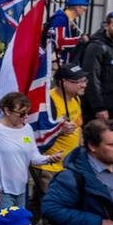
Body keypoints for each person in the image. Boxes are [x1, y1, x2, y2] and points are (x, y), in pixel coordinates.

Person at [0, 91, 60, 210]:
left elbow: (33, 156)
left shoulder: (27, 128)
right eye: (22, 113)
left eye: (28, 113)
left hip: (22, 190)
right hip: (0, 191)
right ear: (7, 111)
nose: (26, 117)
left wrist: (49, 159)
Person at [32, 64, 87, 208]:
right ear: (64, 82)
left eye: (84, 80)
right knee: (50, 207)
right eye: (79, 81)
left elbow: (78, 126)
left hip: (67, 166)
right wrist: (58, 130)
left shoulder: (75, 99)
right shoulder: (48, 102)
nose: (83, 85)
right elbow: (36, 134)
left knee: (40, 205)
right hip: (49, 168)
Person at [82, 11, 113, 130]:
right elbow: (91, 77)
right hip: (104, 105)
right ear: (107, 26)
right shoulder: (96, 46)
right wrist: (98, 107)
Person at [50, 0, 89, 66]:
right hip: (57, 61)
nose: (85, 10)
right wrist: (80, 40)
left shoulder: (71, 20)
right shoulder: (61, 18)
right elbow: (59, 42)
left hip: (66, 60)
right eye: (84, 8)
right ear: (77, 7)